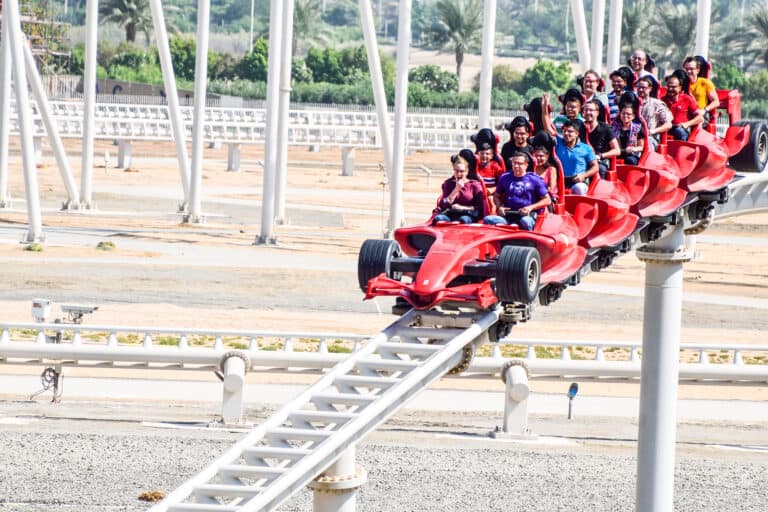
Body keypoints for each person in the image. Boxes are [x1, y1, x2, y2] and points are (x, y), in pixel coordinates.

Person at [483, 152, 551, 231]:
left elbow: (547, 200)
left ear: (526, 165)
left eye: (519, 163)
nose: (516, 166)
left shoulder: (535, 179)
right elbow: (496, 196)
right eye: (514, 163)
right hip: (509, 215)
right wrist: (499, 206)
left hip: (527, 216)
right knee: (488, 219)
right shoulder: (505, 177)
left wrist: (530, 208)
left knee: (525, 222)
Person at [432, 154, 487, 224]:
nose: (458, 174)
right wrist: (456, 189)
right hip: (451, 214)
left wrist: (462, 208)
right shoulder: (448, 183)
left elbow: (480, 208)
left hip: (468, 214)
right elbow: (443, 204)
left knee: (463, 219)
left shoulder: (474, 185)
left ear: (467, 172)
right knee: (439, 218)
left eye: (462, 171)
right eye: (456, 171)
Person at [555, 119, 599, 195]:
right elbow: (548, 128)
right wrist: (544, 109)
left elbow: (595, 167)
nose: (566, 133)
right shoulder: (559, 142)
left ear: (577, 133)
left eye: (570, 131)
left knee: (579, 189)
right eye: (564, 131)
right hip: (560, 180)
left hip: (578, 181)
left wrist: (584, 175)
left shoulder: (586, 148)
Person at [582, 99, 620, 178]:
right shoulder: (579, 127)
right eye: (586, 110)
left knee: (600, 169)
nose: (588, 112)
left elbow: (617, 150)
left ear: (597, 113)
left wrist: (600, 155)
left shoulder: (606, 128)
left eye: (591, 110)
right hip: (582, 160)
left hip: (600, 161)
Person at [663, 73, 703, 141]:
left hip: (680, 129)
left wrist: (686, 124)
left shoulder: (687, 99)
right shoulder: (662, 101)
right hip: (665, 128)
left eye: (673, 87)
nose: (670, 89)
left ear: (679, 87)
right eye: (668, 86)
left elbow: (700, 118)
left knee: (679, 132)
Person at [635, 76, 672, 150]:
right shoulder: (632, 102)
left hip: (650, 138)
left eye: (644, 87)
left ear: (650, 89)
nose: (641, 90)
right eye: (638, 87)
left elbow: (668, 124)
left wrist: (652, 131)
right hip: (632, 137)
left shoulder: (657, 104)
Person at [684, 55, 719, 127]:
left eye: (691, 69)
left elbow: (716, 102)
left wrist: (704, 110)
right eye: (686, 69)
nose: (688, 71)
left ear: (697, 70)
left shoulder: (705, 83)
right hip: (685, 115)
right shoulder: (681, 84)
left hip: (701, 115)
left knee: (699, 120)